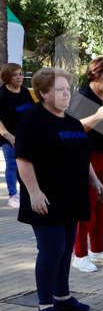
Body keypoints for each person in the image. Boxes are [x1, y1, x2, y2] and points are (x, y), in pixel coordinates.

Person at [15, 68, 103, 311]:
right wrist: (33, 192)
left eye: (68, 90)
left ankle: (63, 296)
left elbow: (82, 155)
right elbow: (23, 159)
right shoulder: (31, 120)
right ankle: (45, 304)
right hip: (45, 198)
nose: (67, 95)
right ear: (43, 93)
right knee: (52, 248)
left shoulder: (71, 121)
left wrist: (94, 179)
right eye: (60, 90)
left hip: (72, 197)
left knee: (66, 248)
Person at [68, 57, 103, 273]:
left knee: (102, 206)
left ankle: (98, 250)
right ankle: (79, 254)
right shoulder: (82, 97)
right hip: (85, 159)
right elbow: (72, 129)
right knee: (86, 208)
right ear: (95, 75)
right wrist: (96, 117)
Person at [1, 63, 37, 208]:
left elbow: (33, 112)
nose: (20, 77)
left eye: (21, 74)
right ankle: (12, 195)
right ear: (8, 77)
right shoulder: (2, 94)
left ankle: (25, 193)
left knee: (27, 164)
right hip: (8, 136)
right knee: (12, 164)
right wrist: (9, 137)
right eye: (15, 74)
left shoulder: (24, 92)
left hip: (25, 136)